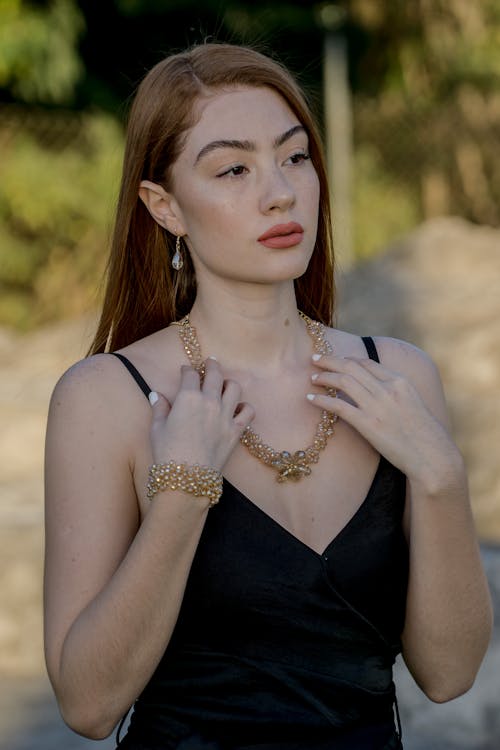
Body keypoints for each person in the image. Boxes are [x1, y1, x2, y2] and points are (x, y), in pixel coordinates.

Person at [43, 43, 493, 750]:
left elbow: (450, 673)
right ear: (165, 207)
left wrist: (440, 478)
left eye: (295, 157)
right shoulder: (108, 397)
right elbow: (88, 706)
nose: (280, 192)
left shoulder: (399, 378)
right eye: (233, 169)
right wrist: (183, 495)